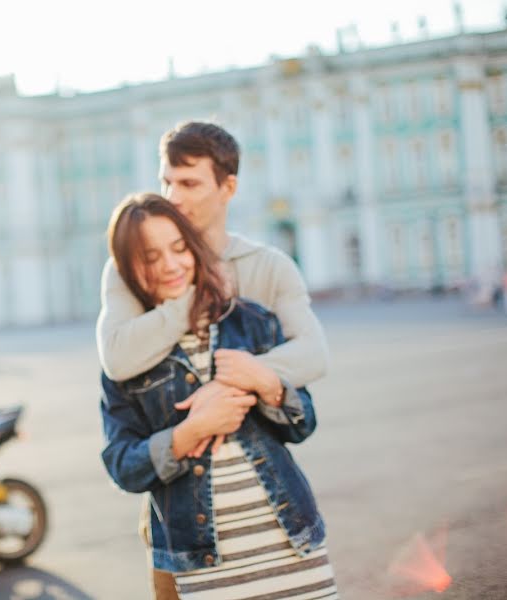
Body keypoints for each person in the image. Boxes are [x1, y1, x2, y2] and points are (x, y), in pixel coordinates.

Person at [96, 121, 329, 598]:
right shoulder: (134, 269)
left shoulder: (267, 267)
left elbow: (312, 353)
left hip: (266, 509)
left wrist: (239, 382)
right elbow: (117, 360)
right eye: (166, 181)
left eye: (188, 183)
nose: (172, 195)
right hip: (177, 515)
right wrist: (188, 304)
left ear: (228, 187)